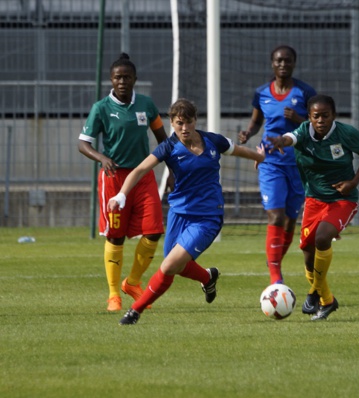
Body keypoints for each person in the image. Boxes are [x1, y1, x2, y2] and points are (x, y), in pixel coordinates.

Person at [111, 98, 265, 325]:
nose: (184, 128)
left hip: (207, 218)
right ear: (172, 123)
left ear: (195, 121)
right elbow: (141, 169)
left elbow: (237, 150)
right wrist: (121, 195)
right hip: (178, 214)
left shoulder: (213, 141)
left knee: (169, 265)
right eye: (179, 123)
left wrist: (259, 157)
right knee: (177, 266)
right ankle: (207, 277)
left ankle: (134, 311)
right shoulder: (169, 148)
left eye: (188, 122)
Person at [268, 94, 359, 321]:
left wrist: (353, 182)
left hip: (343, 200)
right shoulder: (304, 132)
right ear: (309, 117)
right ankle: (327, 301)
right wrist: (280, 142)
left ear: (333, 115)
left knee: (322, 238)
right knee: (308, 254)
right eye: (316, 116)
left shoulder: (346, 133)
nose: (321, 120)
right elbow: (290, 138)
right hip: (314, 201)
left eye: (326, 115)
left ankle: (314, 292)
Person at [78, 53, 169, 312]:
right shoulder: (101, 108)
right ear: (111, 79)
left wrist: (172, 170)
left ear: (135, 79)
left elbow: (164, 141)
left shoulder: (147, 105)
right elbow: (83, 143)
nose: (122, 81)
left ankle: (133, 282)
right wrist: (101, 157)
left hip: (143, 175)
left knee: (153, 231)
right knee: (116, 238)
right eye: (118, 77)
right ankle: (113, 294)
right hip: (113, 179)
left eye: (127, 77)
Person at [238, 45, 317, 285]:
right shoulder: (262, 92)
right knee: (275, 216)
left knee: (290, 220)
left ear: (294, 63)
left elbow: (318, 125)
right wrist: (248, 134)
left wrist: (299, 119)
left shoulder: (304, 92)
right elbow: (256, 121)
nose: (283, 64)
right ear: (272, 63)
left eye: (288, 61)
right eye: (279, 61)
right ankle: (276, 279)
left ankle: (275, 262)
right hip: (271, 161)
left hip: (298, 164)